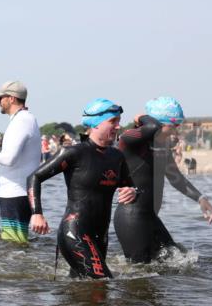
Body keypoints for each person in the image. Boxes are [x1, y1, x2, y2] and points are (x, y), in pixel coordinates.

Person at [28, 99, 136, 279]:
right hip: (75, 230)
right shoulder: (73, 153)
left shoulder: (117, 157)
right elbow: (35, 177)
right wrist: (36, 213)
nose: (118, 126)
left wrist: (133, 192)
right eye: (113, 121)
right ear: (95, 124)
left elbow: (130, 186)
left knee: (81, 288)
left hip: (100, 235)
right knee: (102, 282)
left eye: (118, 121)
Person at [113, 97, 212, 263]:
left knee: (178, 258)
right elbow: (150, 127)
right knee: (138, 279)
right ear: (158, 123)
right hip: (132, 218)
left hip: (151, 218)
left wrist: (201, 199)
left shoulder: (161, 146)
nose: (177, 130)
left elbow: (176, 179)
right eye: (173, 125)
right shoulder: (133, 141)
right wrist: (141, 117)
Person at [0, 80, 41, 244]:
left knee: (14, 245)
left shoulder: (21, 121)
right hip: (18, 191)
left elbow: (9, 158)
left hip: (16, 193)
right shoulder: (24, 119)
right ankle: (20, 269)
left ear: (12, 99)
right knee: (16, 243)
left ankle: (21, 270)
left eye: (0, 97)